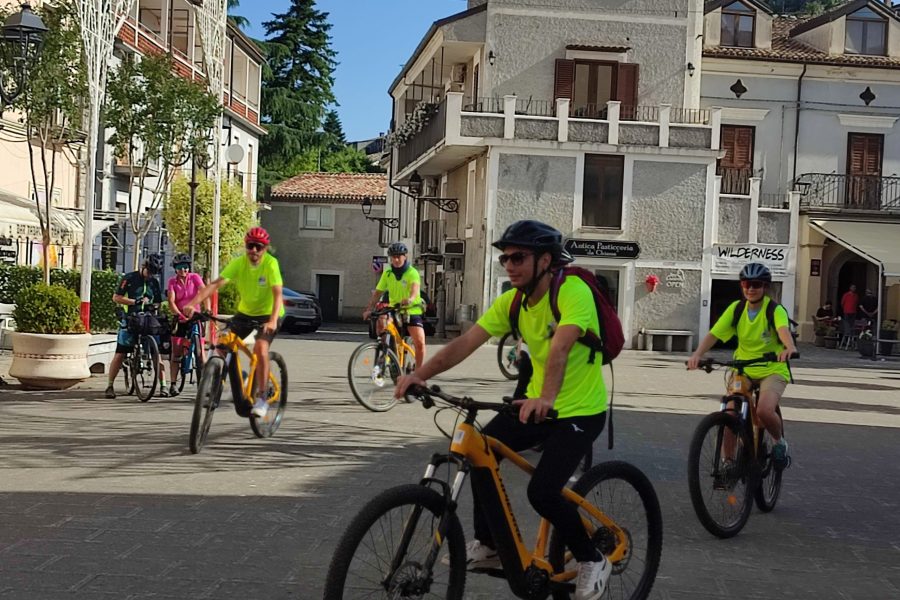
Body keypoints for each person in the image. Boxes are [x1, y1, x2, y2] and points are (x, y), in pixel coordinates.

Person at [395, 220, 612, 600]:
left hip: (579, 411)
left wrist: (544, 397)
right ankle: (490, 544)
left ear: (545, 260)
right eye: (505, 257)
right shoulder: (512, 302)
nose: (509, 264)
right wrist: (420, 375)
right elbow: (465, 343)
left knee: (543, 492)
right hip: (534, 405)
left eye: (518, 257)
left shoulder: (572, 290)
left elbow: (561, 347)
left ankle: (592, 557)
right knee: (482, 448)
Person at [687, 262, 797, 470]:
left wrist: (789, 347)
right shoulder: (736, 309)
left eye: (756, 284)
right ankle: (728, 463)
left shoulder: (774, 309)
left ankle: (778, 442)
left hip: (772, 368)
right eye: (746, 284)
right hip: (743, 368)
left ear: (765, 287)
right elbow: (714, 334)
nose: (750, 288)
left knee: (764, 410)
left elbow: (783, 330)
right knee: (730, 413)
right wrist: (697, 355)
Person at [183, 227, 284, 418]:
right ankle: (216, 384)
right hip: (244, 314)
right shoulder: (239, 263)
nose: (253, 250)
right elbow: (214, 284)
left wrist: (272, 320)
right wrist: (192, 304)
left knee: (260, 349)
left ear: (265, 248)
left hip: (269, 315)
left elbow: (278, 293)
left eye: (258, 247)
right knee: (222, 344)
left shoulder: (271, 264)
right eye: (250, 246)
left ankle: (262, 397)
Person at [105, 253, 168, 399]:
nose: (150, 276)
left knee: (155, 353)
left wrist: (154, 306)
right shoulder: (129, 278)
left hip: (147, 319)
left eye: (153, 273)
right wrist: (135, 302)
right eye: (149, 272)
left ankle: (163, 385)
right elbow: (116, 297)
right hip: (131, 318)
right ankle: (110, 385)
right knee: (120, 353)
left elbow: (158, 301)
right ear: (143, 267)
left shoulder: (154, 282)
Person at [362, 242, 426, 370]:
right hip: (394, 309)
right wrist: (369, 309)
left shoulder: (412, 272)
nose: (396, 260)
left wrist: (410, 299)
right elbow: (378, 293)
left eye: (399, 256)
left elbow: (414, 291)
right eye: (393, 257)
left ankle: (419, 373)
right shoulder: (388, 273)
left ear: (405, 257)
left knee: (420, 343)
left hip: (412, 310)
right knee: (383, 324)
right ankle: (387, 353)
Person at [165, 253, 209, 396]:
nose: (183, 270)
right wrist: (179, 315)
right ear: (175, 269)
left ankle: (206, 384)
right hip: (180, 318)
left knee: (202, 354)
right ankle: (173, 383)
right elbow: (171, 301)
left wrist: (207, 309)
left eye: (185, 267)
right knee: (176, 353)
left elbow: (204, 293)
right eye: (179, 268)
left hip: (195, 316)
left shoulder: (195, 278)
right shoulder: (172, 281)